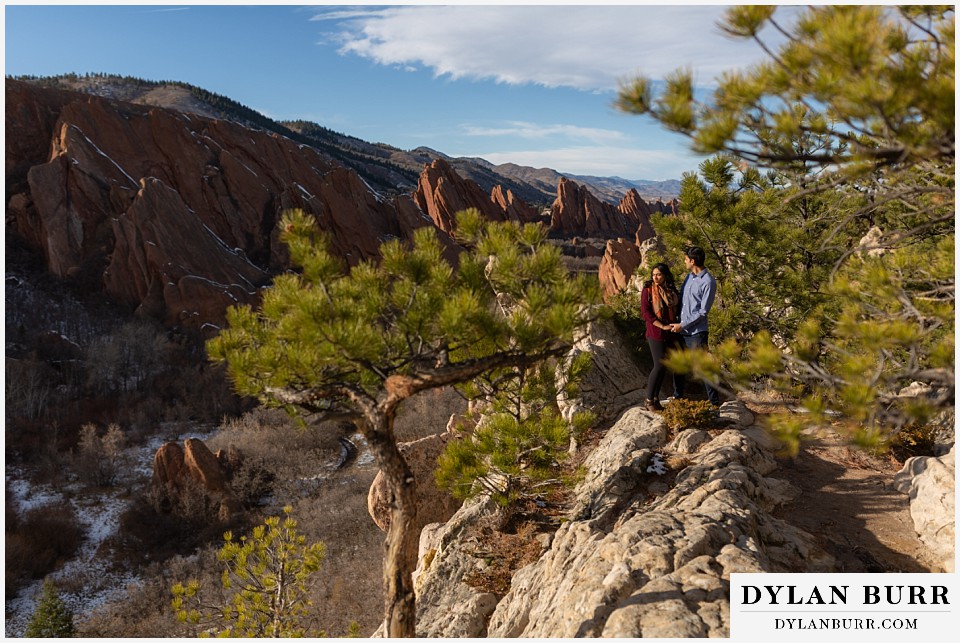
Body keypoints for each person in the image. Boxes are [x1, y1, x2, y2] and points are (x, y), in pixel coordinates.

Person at [669, 245, 721, 406]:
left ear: (692, 261)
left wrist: (682, 325)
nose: (684, 261)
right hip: (681, 329)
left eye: (685, 259)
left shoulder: (708, 282)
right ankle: (678, 399)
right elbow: (682, 299)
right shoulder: (689, 277)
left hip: (696, 333)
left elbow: (703, 312)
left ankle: (714, 404)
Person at [640, 263, 684, 412]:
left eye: (658, 274)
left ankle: (656, 399)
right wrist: (661, 325)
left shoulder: (671, 290)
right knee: (658, 365)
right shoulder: (648, 291)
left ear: (665, 275)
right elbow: (645, 313)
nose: (655, 277)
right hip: (655, 333)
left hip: (670, 333)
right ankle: (648, 400)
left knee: (664, 366)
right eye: (653, 275)